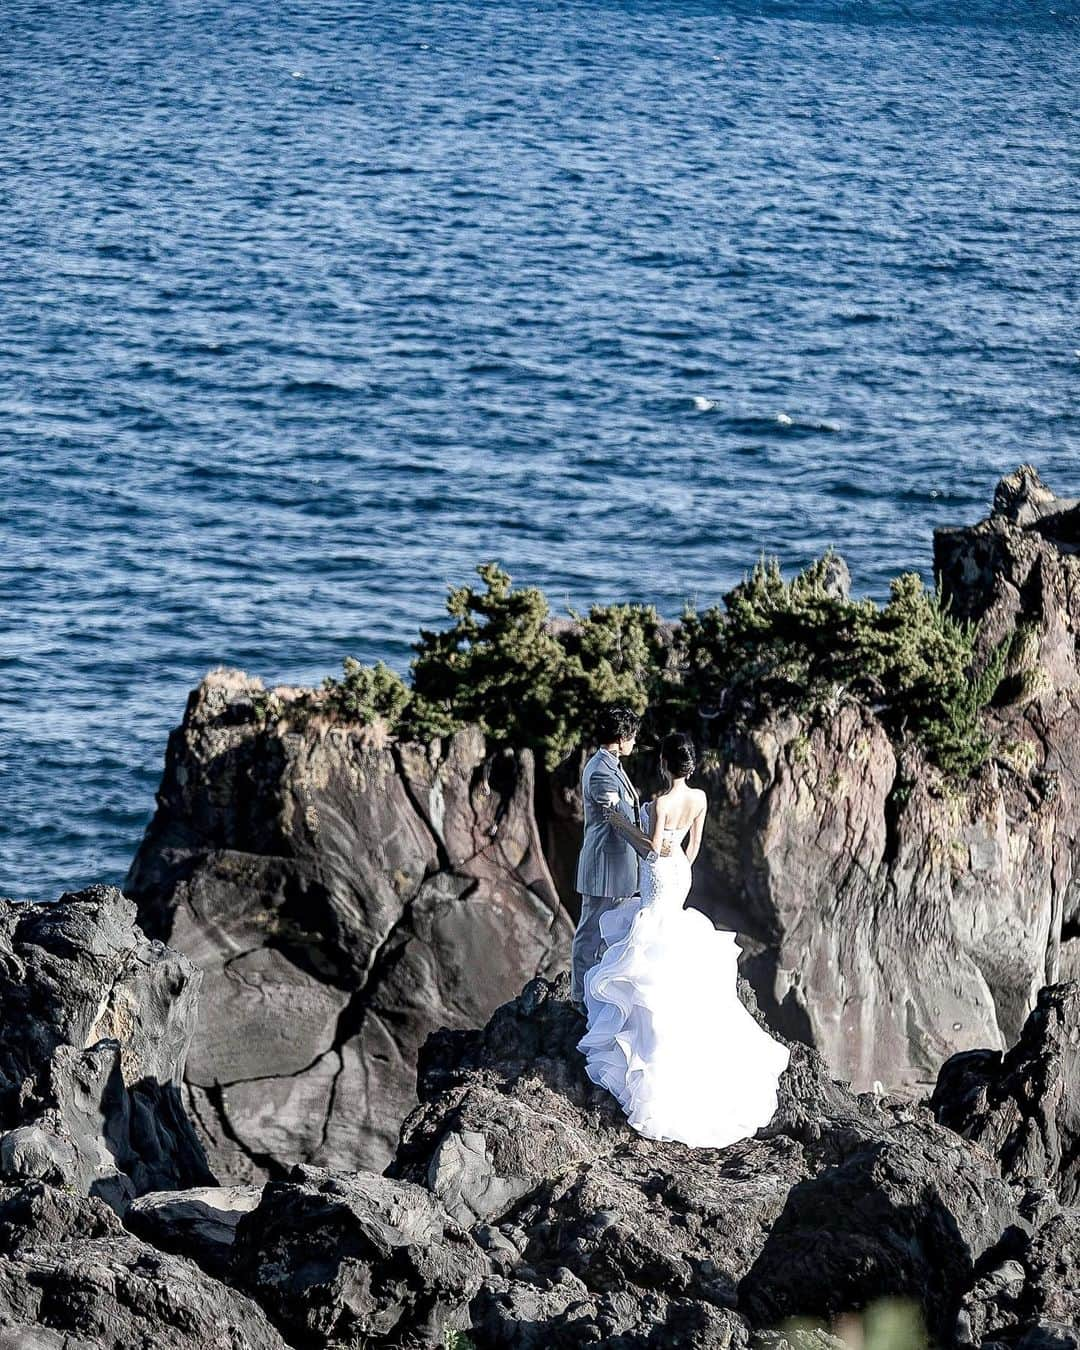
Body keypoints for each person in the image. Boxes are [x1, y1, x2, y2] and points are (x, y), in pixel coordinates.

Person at [577, 732, 790, 1148]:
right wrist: (677, 865)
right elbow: (690, 849)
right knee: (670, 930)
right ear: (689, 767)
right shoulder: (700, 799)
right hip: (680, 872)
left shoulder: (659, 804)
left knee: (648, 935)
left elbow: (651, 849)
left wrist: (621, 822)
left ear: (662, 763)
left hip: (658, 870)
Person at [571, 705, 658, 1012]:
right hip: (604, 865)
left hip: (619, 866)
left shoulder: (611, 765)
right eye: (632, 736)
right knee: (591, 931)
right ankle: (579, 996)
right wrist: (648, 849)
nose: (634, 742)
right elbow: (615, 818)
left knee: (612, 932)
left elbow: (628, 811)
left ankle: (602, 993)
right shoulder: (599, 772)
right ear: (622, 738)